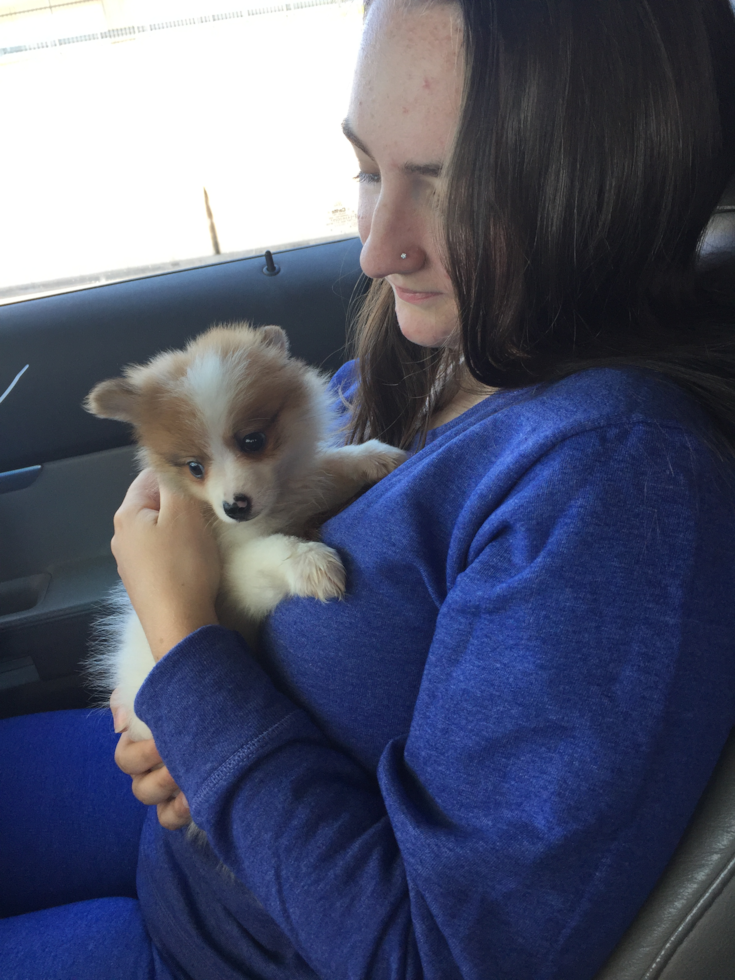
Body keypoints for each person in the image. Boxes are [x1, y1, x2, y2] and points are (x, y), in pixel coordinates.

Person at [2, 0, 735, 977]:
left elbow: (426, 955)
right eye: (367, 167)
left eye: (451, 185)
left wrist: (183, 651)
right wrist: (178, 707)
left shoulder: (618, 492)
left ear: (608, 184)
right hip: (181, 838)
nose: (376, 249)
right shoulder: (460, 338)